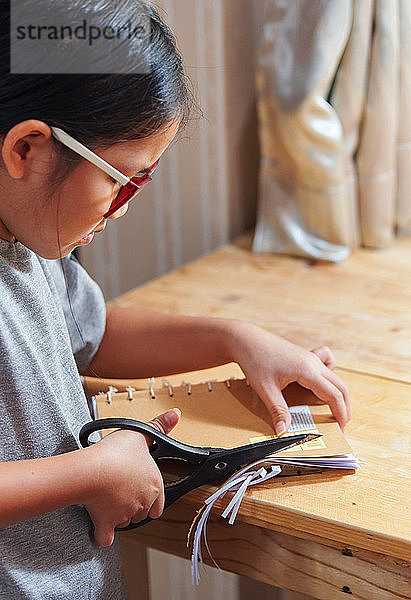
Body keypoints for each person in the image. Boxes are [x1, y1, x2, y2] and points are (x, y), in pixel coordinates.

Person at [0, 1, 350, 598]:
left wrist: (232, 338)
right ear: (27, 150)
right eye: (119, 179)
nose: (124, 207)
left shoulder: (26, 243)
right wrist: (91, 471)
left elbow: (97, 333)